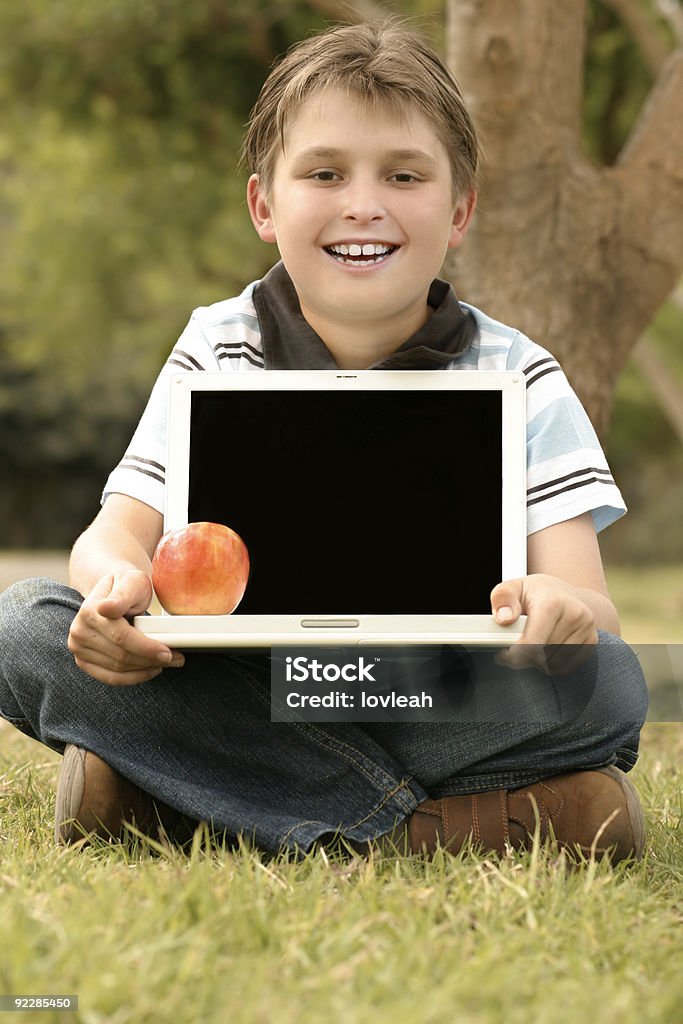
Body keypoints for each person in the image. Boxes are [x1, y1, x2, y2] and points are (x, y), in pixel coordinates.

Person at [0, 21, 648, 861]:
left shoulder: (521, 374)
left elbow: (588, 606)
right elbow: (116, 533)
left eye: (403, 175)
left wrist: (558, 617)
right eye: (325, 173)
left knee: (614, 680)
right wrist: (114, 584)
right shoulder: (216, 343)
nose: (363, 203)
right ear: (264, 205)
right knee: (24, 627)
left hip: (431, 696)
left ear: (459, 210)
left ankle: (188, 796)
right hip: (251, 682)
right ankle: (419, 829)